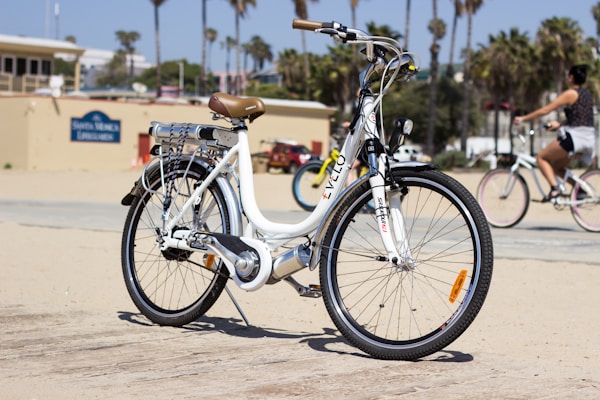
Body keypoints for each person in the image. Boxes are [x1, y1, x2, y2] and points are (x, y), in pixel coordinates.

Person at [513, 64, 597, 202]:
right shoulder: (587, 94)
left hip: (574, 138)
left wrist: (523, 118)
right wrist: (560, 124)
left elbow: (546, 110)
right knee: (557, 168)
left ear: (570, 77)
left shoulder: (570, 93)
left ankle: (554, 189)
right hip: (588, 139)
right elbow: (580, 118)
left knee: (541, 158)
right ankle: (579, 190)